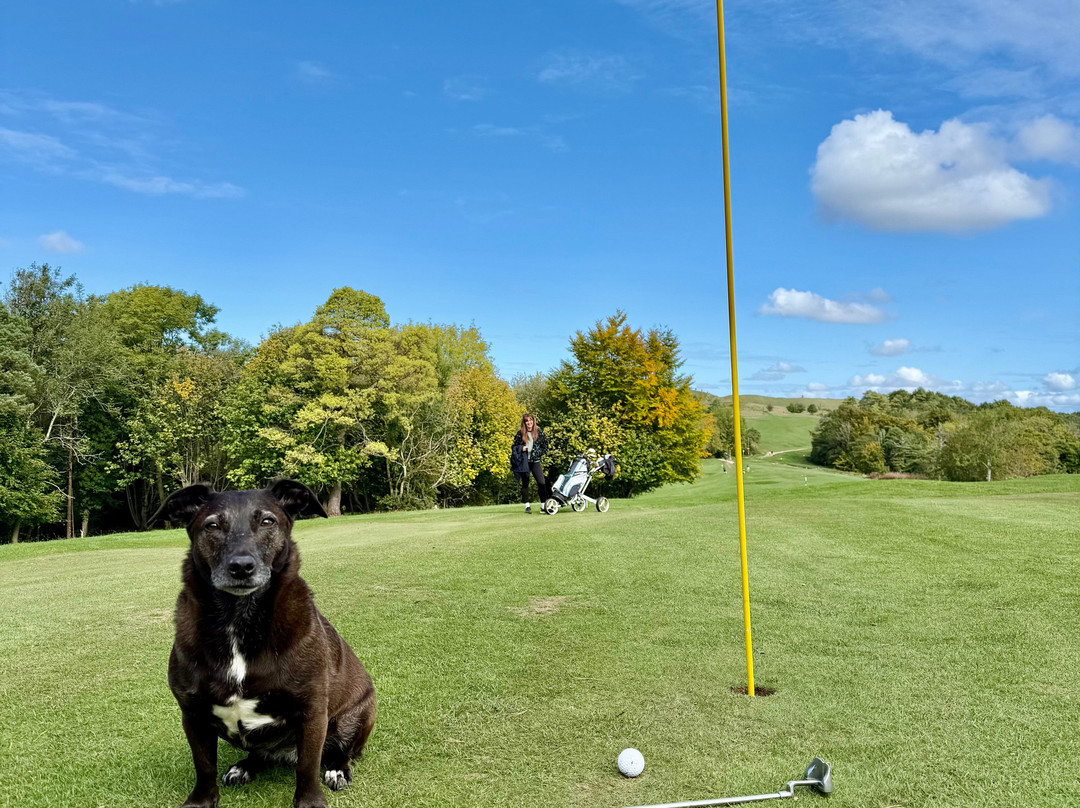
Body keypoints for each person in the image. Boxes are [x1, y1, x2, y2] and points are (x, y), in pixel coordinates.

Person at [511, 413, 549, 513]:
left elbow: (545, 446)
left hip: (535, 461)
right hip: (524, 462)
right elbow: (514, 447)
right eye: (527, 421)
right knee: (525, 483)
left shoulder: (539, 431)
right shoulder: (520, 433)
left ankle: (543, 506)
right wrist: (521, 448)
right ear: (524, 422)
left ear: (533, 421)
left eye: (530, 420)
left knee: (542, 482)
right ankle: (527, 506)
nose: (529, 422)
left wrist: (538, 453)